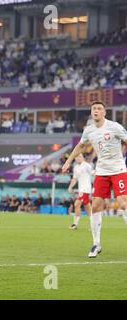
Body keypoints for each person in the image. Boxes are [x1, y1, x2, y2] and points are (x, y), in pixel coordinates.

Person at [62, 101, 127, 258]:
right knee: (96, 205)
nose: (96, 111)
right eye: (94, 109)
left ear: (104, 113)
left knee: (123, 202)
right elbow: (80, 146)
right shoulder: (89, 130)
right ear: (91, 113)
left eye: (99, 109)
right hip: (102, 172)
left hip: (118, 170)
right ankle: (96, 244)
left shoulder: (115, 126)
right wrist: (68, 161)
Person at [67, 154, 93, 230]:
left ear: (82, 157)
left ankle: (75, 224)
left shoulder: (87, 166)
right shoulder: (76, 167)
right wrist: (70, 186)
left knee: (76, 204)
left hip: (86, 189)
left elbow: (93, 173)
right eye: (77, 157)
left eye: (80, 157)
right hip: (80, 190)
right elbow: (74, 179)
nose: (78, 158)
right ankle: (93, 224)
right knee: (88, 208)